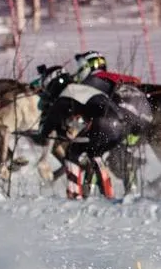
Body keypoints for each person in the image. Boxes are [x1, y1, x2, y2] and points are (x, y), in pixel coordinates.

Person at [36, 67, 127, 200]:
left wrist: (43, 133)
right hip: (119, 125)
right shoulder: (80, 89)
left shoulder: (67, 93)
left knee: (73, 151)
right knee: (94, 153)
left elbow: (51, 121)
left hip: (103, 123)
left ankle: (74, 193)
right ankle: (107, 192)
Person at [72, 51, 150, 193]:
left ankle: (91, 189)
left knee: (96, 151)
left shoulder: (94, 81)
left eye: (80, 65)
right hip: (141, 121)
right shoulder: (115, 78)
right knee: (120, 152)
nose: (78, 69)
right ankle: (131, 187)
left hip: (123, 122)